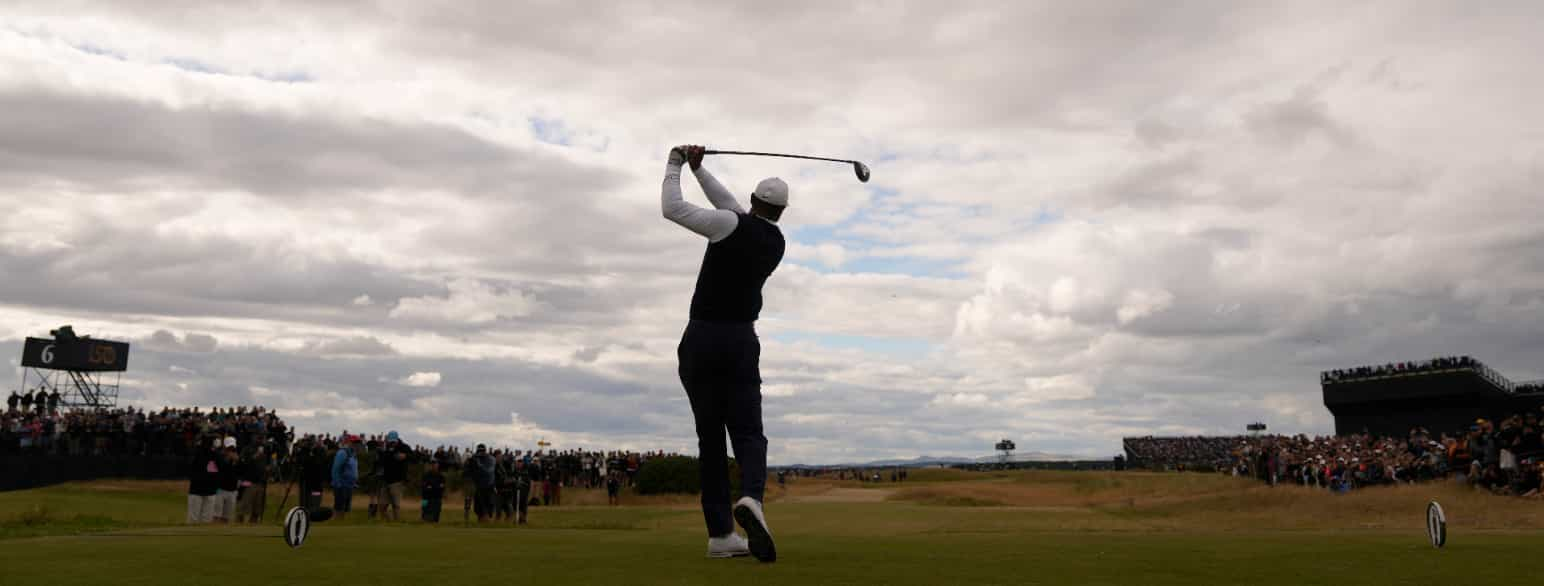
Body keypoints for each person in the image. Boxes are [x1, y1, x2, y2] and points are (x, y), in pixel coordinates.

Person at [662, 144, 787, 562]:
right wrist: (701, 169)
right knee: (749, 433)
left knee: (710, 440)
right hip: (739, 341)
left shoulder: (727, 224)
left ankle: (720, 534)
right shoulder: (775, 241)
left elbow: (672, 209)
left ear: (754, 202)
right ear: (780, 212)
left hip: (699, 340)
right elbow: (730, 207)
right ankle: (751, 497)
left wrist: (675, 163)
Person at [186, 436, 221, 524]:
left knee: (194, 519)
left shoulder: (197, 453)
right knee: (206, 519)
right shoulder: (214, 455)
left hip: (198, 489)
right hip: (207, 490)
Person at [379, 430, 412, 521]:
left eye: (393, 441)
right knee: (382, 506)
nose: (392, 443)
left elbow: (414, 457)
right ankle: (388, 522)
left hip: (398, 481)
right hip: (386, 481)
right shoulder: (386, 448)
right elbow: (382, 460)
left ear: (397, 439)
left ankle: (396, 523)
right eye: (390, 441)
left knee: (396, 505)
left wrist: (405, 456)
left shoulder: (404, 447)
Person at [237, 445, 269, 523]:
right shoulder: (247, 449)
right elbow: (242, 464)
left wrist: (268, 469)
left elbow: (267, 466)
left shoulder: (265, 451)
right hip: (248, 482)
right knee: (244, 509)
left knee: (257, 511)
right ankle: (240, 526)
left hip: (260, 483)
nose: (261, 438)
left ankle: (253, 526)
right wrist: (253, 458)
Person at [331, 435, 361, 520]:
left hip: (350, 485)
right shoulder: (343, 453)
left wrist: (354, 482)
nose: (357, 445)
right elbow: (335, 469)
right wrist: (337, 483)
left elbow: (352, 470)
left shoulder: (353, 454)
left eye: (358, 443)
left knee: (345, 508)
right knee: (339, 506)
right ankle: (335, 521)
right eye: (355, 442)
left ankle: (340, 522)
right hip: (341, 484)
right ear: (350, 442)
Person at [468, 444, 497, 523]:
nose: (480, 453)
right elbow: (468, 473)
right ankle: (481, 522)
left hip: (489, 487)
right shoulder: (475, 459)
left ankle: (487, 522)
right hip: (479, 487)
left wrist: (479, 464)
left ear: (485, 451)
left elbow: (488, 471)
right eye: (479, 451)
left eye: (482, 451)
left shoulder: (491, 459)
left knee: (488, 507)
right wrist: (469, 462)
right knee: (478, 508)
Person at [214, 439, 240, 524]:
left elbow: (241, 471)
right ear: (225, 447)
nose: (231, 451)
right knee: (216, 515)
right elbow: (221, 469)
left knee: (227, 517)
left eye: (232, 448)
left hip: (232, 490)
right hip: (220, 489)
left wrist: (237, 462)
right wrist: (228, 460)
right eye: (229, 448)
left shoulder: (236, 458)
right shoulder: (219, 456)